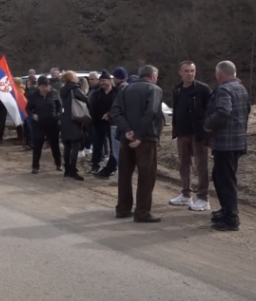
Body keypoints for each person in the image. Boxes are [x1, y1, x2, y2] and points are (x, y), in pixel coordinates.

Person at [110, 65, 163, 223]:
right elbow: (151, 112)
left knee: (125, 173)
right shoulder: (154, 89)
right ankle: (142, 212)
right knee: (146, 175)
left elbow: (115, 112)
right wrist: (138, 135)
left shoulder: (125, 89)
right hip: (146, 138)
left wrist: (127, 130)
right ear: (153, 75)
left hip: (127, 137)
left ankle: (123, 208)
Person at [204, 61, 250, 232]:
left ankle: (231, 218)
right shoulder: (241, 88)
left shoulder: (224, 89)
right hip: (237, 141)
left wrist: (209, 124)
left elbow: (223, 111)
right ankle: (225, 210)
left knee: (226, 180)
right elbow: (247, 110)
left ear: (220, 74)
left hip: (225, 143)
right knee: (219, 176)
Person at [168, 61, 212, 211]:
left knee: (201, 166)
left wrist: (206, 128)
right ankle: (186, 194)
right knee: (184, 165)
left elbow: (211, 109)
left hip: (198, 134)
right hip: (182, 132)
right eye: (186, 71)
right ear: (180, 72)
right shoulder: (177, 89)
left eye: (192, 70)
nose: (190, 73)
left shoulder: (203, 89)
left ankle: (203, 198)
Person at [26, 76, 62, 174]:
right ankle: (35, 166)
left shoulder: (54, 93)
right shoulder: (34, 96)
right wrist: (33, 115)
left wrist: (58, 115)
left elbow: (59, 106)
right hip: (39, 123)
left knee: (54, 144)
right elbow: (28, 108)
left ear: (49, 86)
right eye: (41, 87)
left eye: (45, 86)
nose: (44, 89)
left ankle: (58, 164)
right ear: (38, 87)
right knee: (37, 144)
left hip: (53, 123)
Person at [60, 71, 89, 181]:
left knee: (67, 147)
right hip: (74, 120)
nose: (77, 78)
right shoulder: (75, 89)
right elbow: (86, 100)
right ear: (71, 79)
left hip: (64, 121)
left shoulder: (62, 90)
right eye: (75, 76)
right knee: (75, 146)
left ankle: (67, 170)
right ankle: (72, 170)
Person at [89, 70, 117, 175]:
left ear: (109, 81)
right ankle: (95, 164)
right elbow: (92, 107)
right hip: (98, 123)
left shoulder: (116, 92)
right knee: (97, 145)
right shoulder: (96, 93)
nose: (102, 83)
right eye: (100, 81)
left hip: (113, 123)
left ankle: (113, 166)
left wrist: (109, 114)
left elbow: (119, 107)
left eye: (104, 80)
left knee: (113, 145)